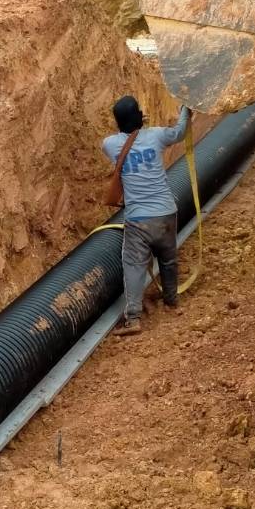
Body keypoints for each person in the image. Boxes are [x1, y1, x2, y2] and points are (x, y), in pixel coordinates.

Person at [101, 94, 192, 336]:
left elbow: (122, 141)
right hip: (166, 213)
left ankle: (133, 318)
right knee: (168, 258)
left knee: (133, 265)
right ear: (140, 117)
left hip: (138, 219)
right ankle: (171, 300)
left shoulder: (110, 145)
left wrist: (135, 127)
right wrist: (186, 108)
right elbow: (180, 131)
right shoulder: (157, 136)